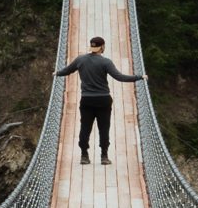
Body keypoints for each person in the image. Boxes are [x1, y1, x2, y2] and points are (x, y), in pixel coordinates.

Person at [57, 35, 144, 165]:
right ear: (102, 47)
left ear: (92, 46)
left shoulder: (80, 60)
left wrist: (57, 73)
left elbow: (67, 71)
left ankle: (84, 155)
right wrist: (139, 77)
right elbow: (119, 77)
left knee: (85, 127)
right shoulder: (106, 62)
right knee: (104, 128)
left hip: (86, 100)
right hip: (103, 100)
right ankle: (104, 156)